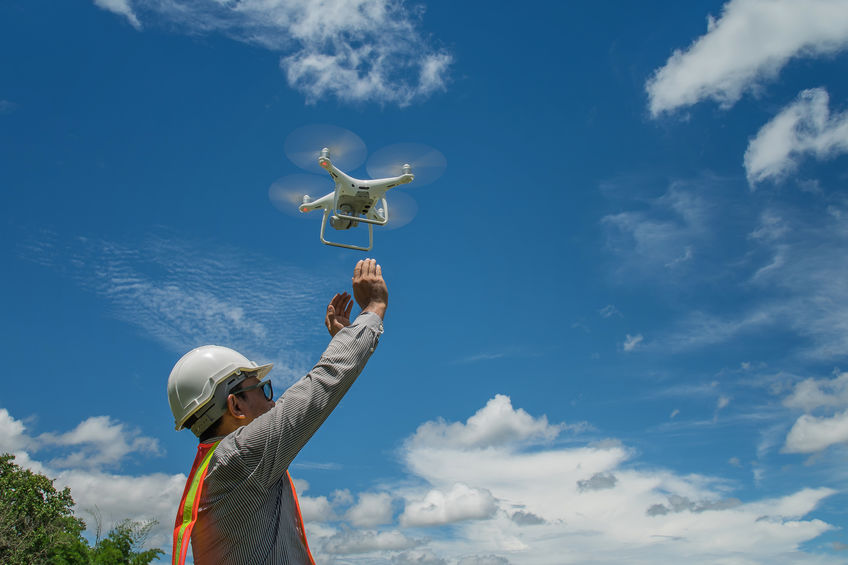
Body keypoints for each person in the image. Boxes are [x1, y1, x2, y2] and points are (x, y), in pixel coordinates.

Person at [166, 258, 388, 565]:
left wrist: (345, 338)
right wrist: (373, 308)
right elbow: (322, 383)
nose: (273, 401)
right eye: (261, 389)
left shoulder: (218, 468)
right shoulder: (241, 457)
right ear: (235, 405)